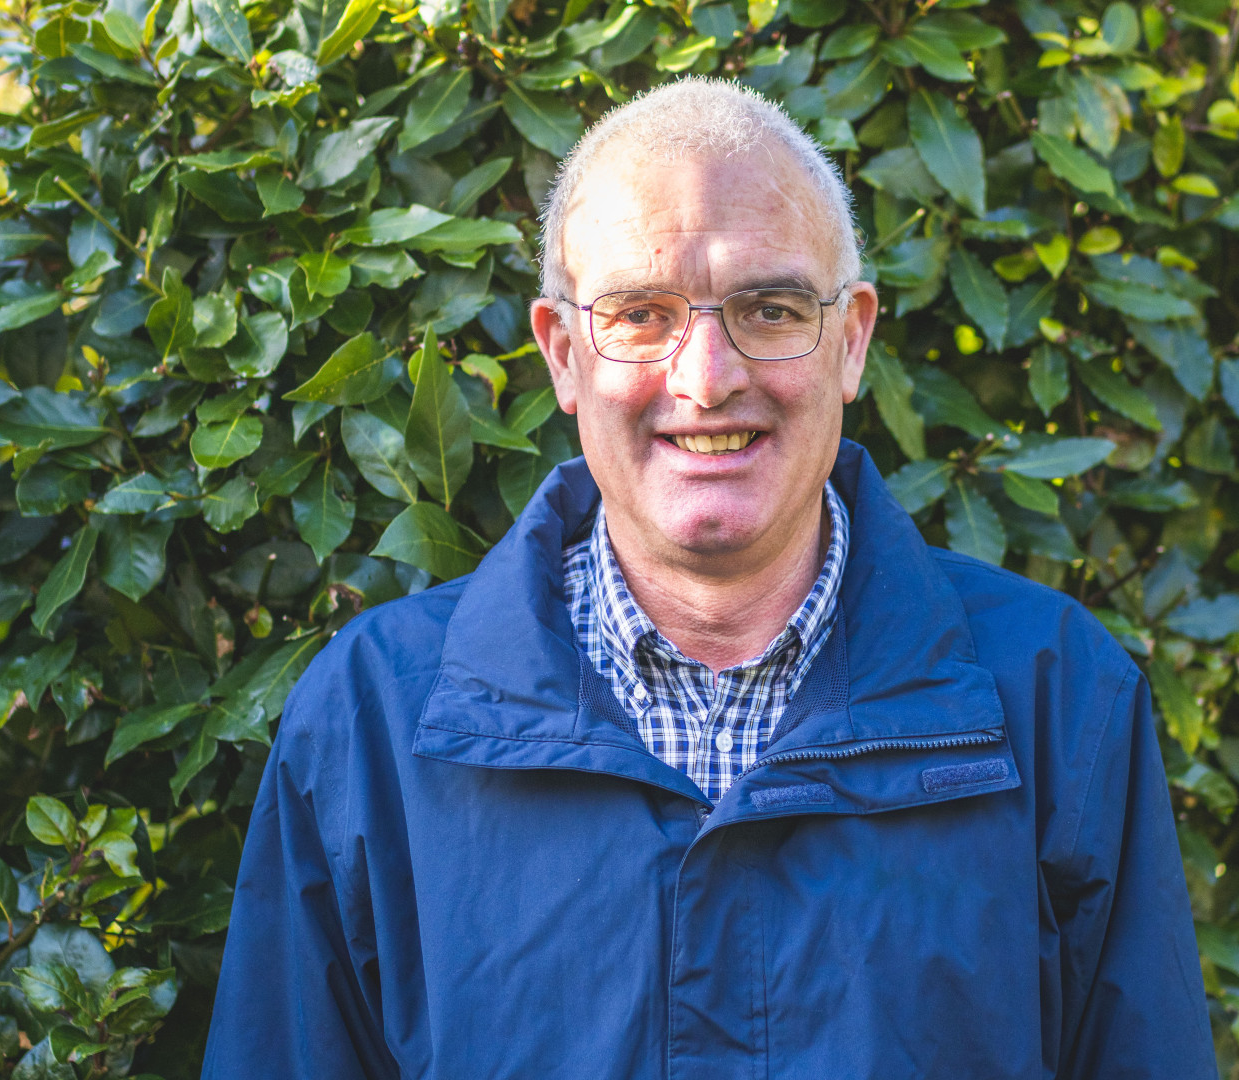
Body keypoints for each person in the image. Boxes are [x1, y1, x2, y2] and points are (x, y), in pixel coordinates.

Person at [201, 78, 1214, 1079]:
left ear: (850, 338)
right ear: (561, 353)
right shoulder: (370, 722)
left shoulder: (1054, 698)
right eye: (640, 314)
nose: (705, 377)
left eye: (769, 308)